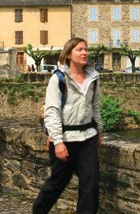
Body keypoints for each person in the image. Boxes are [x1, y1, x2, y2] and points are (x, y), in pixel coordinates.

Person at [33, 38, 102, 214]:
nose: (84, 52)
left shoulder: (93, 78)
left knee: (91, 184)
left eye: (86, 49)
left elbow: (95, 107)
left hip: (88, 138)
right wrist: (57, 141)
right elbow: (52, 111)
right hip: (65, 139)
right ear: (69, 54)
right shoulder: (59, 79)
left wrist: (99, 131)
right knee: (57, 183)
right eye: (79, 49)